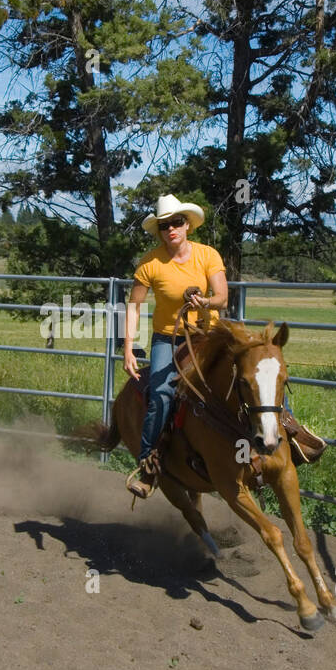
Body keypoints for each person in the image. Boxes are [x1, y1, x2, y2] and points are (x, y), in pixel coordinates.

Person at [123, 194, 227, 499]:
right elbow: (134, 307)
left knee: (251, 372)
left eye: (176, 223)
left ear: (187, 226)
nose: (171, 229)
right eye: (165, 225)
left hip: (208, 334)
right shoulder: (150, 263)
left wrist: (206, 302)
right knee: (161, 394)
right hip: (168, 339)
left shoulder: (208, 255)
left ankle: (287, 438)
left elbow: (222, 296)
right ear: (160, 231)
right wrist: (128, 348)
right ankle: (148, 467)